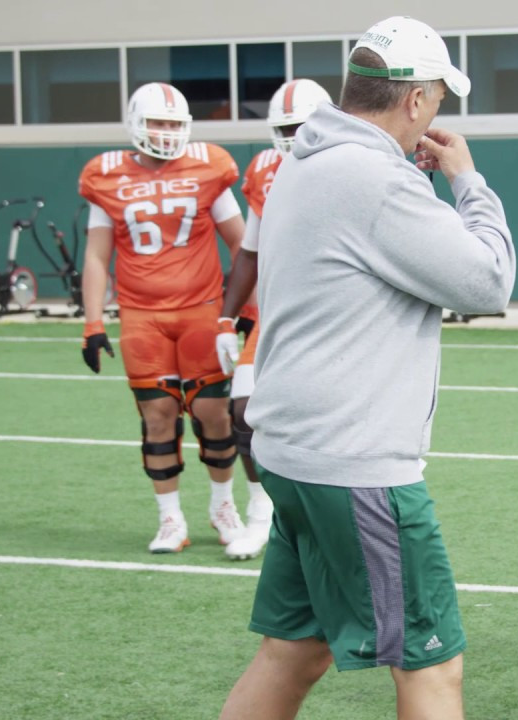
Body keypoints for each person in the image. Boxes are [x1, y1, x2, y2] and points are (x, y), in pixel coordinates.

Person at [220, 16, 514, 720]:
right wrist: (468, 182)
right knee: (431, 663)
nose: (436, 117)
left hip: (293, 450)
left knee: (295, 650)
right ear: (413, 99)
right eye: (438, 99)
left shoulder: (303, 161)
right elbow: (488, 282)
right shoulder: (375, 178)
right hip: (353, 462)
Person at [78, 82, 247, 554]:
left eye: (174, 124)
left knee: (213, 411)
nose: (167, 132)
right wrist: (93, 322)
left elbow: (242, 246)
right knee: (157, 414)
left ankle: (222, 505)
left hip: (201, 310)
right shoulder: (105, 175)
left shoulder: (207, 167)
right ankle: (170, 518)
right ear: (136, 123)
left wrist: (243, 311)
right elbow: (96, 256)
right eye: (158, 123)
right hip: (142, 316)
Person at [215, 78, 333, 561]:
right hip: (275, 313)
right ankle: (262, 513)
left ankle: (322, 514)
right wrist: (226, 318)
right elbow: (250, 250)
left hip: (332, 314)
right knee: (242, 412)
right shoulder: (266, 168)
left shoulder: (349, 165)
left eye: (302, 125)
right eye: (285, 127)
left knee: (324, 419)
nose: (293, 135)